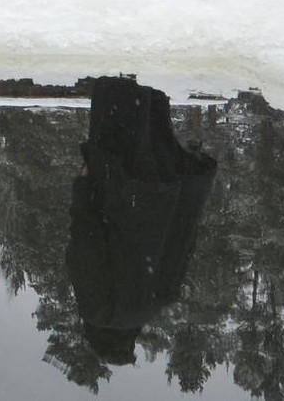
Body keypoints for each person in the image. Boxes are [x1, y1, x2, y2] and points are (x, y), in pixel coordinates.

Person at [66, 76, 217, 367]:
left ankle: (151, 52)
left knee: (149, 102)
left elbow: (185, 243)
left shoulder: (155, 304)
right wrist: (83, 189)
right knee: (119, 95)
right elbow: (86, 244)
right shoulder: (100, 313)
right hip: (121, 188)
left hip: (162, 189)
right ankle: (127, 45)